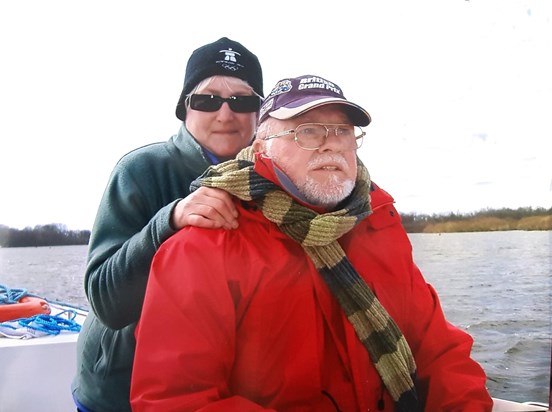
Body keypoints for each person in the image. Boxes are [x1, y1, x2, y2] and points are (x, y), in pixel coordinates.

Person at [130, 74, 493, 411]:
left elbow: (438, 350)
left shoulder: (380, 228)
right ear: (262, 148)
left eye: (342, 131)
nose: (330, 145)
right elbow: (176, 400)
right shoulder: (202, 249)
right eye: (308, 131)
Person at [71, 37, 264, 412]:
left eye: (242, 101)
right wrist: (169, 221)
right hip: (119, 391)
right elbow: (104, 299)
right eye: (207, 100)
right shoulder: (140, 171)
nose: (225, 115)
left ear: (260, 113)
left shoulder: (275, 183)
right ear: (184, 109)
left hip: (222, 392)